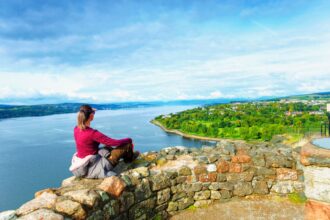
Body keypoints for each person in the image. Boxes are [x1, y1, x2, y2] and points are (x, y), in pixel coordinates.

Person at [69, 104, 139, 178]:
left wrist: (90, 110)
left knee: (107, 147)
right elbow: (114, 142)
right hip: (95, 164)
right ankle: (129, 159)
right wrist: (129, 139)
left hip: (83, 163)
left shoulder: (76, 129)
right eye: (93, 113)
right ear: (91, 116)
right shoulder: (92, 133)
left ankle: (124, 156)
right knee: (127, 145)